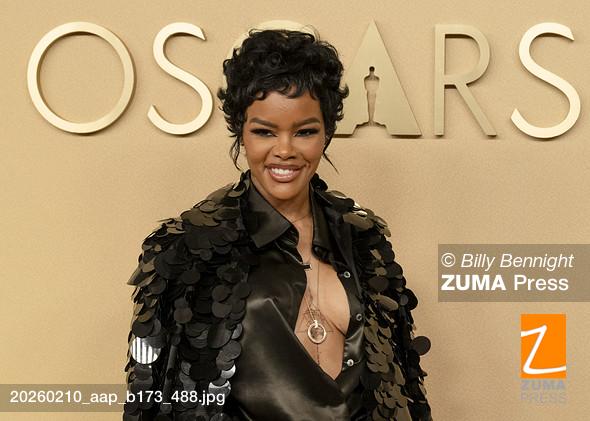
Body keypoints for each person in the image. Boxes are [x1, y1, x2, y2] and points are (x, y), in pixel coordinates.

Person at [123, 28, 432, 421]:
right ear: (241, 132)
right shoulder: (188, 251)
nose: (285, 150)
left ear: (326, 133)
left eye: (304, 132)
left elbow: (400, 387)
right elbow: (154, 404)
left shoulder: (363, 241)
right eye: (264, 132)